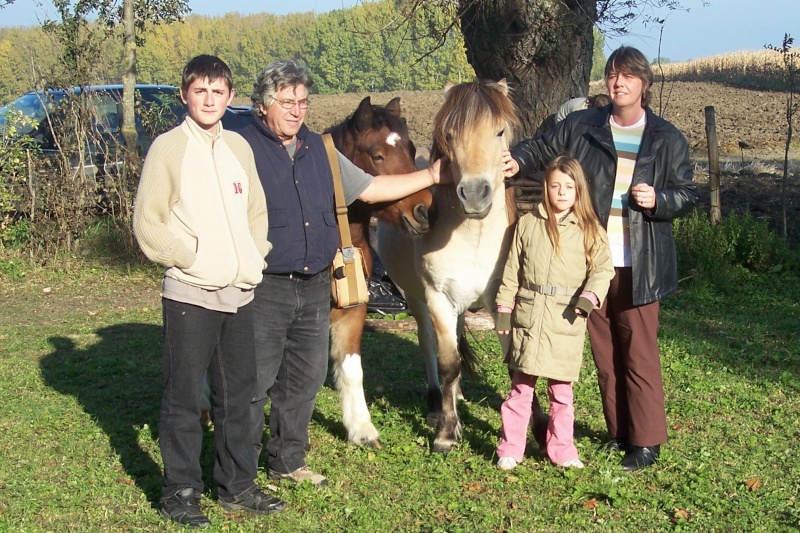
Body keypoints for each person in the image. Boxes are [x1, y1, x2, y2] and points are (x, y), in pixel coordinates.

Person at [238, 59, 444, 488]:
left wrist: (430, 174)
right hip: (267, 279)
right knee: (255, 376)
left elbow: (371, 188)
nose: (296, 110)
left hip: (313, 278)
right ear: (263, 104)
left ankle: (288, 460)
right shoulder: (242, 148)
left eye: (302, 101)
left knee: (305, 375)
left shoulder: (321, 151)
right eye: (286, 101)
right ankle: (238, 476)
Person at [503, 46, 699, 471]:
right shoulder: (582, 126)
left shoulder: (667, 138)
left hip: (638, 264)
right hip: (588, 262)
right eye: (612, 75)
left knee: (639, 354)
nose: (618, 83)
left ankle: (646, 442)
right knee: (605, 353)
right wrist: (516, 159)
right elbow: (542, 148)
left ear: (643, 84)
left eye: (627, 76)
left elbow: (687, 193)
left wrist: (660, 198)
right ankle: (619, 433)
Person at [133, 54, 286, 528]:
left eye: (218, 92)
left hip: (239, 292)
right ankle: (180, 490)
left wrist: (253, 256)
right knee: (182, 396)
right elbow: (147, 221)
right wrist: (190, 255)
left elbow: (257, 213)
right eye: (200, 91)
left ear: (230, 97)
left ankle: (237, 485)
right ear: (185, 95)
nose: (209, 100)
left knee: (238, 395)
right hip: (190, 293)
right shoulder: (168, 148)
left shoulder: (239, 148)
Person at [494, 155, 614, 471]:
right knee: (521, 388)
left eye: (569, 186)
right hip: (530, 316)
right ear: (546, 188)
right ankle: (510, 448)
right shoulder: (528, 223)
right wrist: (504, 308)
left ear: (579, 191)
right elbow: (512, 269)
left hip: (567, 318)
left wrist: (589, 298)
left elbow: (603, 269)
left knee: (561, 392)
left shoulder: (589, 228)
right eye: (555, 185)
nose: (561, 192)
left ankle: (561, 449)